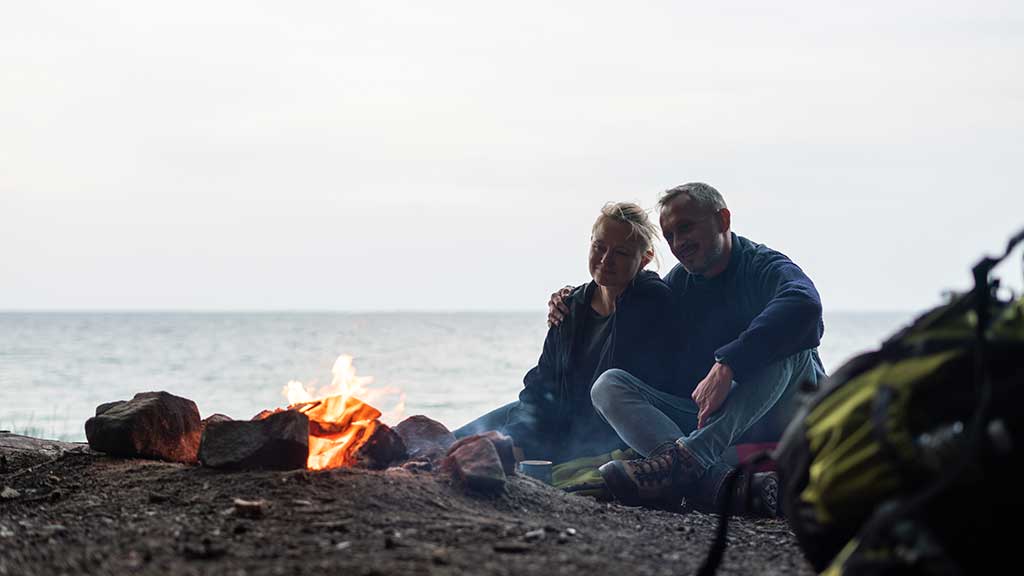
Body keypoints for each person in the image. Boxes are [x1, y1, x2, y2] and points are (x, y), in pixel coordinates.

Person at [549, 182, 826, 515]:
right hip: (720, 428)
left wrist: (730, 364)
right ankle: (707, 478)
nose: (678, 243)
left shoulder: (763, 266)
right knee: (609, 385)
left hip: (785, 413)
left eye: (686, 228)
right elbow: (634, 305)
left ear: (722, 220)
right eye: (669, 236)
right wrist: (573, 299)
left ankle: (687, 462)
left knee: (792, 343)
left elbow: (805, 307)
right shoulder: (679, 283)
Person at [455, 202, 675, 464]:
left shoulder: (653, 301)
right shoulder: (570, 306)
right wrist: (517, 438)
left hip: (597, 438)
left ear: (645, 259)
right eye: (599, 247)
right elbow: (541, 385)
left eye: (622, 253)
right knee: (457, 440)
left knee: (488, 448)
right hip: (552, 422)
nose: (606, 260)